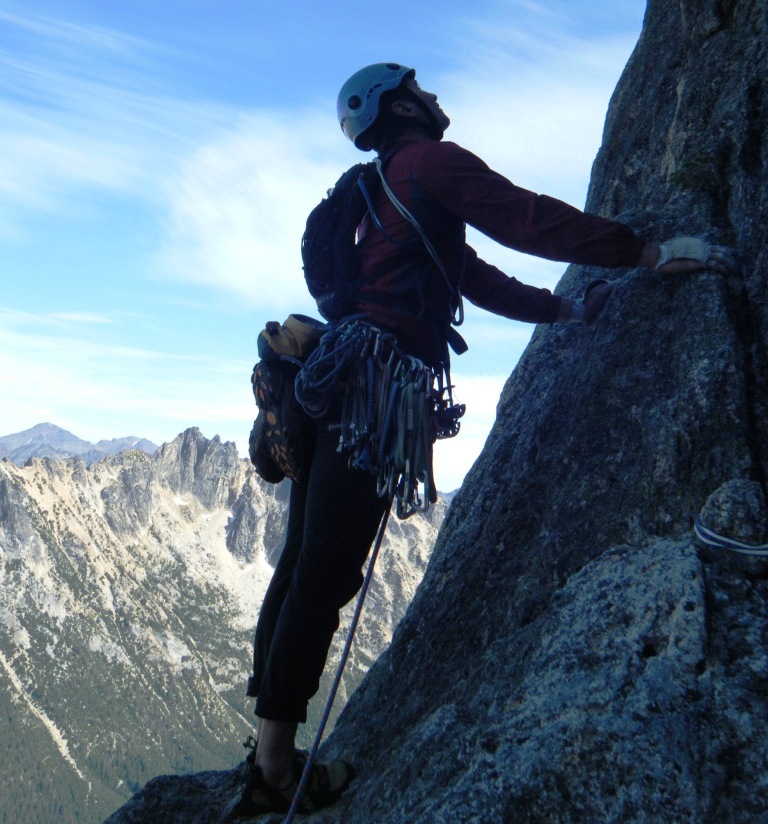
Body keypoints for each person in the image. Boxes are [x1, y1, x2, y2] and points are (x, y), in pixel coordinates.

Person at [238, 62, 734, 816]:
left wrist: (562, 312)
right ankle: (275, 769)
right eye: (422, 89)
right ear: (401, 105)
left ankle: (266, 750)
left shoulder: (383, 189)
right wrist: (644, 251)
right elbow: (526, 216)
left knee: (304, 562)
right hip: (374, 394)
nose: (435, 97)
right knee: (325, 575)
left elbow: (466, 273)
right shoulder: (430, 165)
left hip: (334, 385)